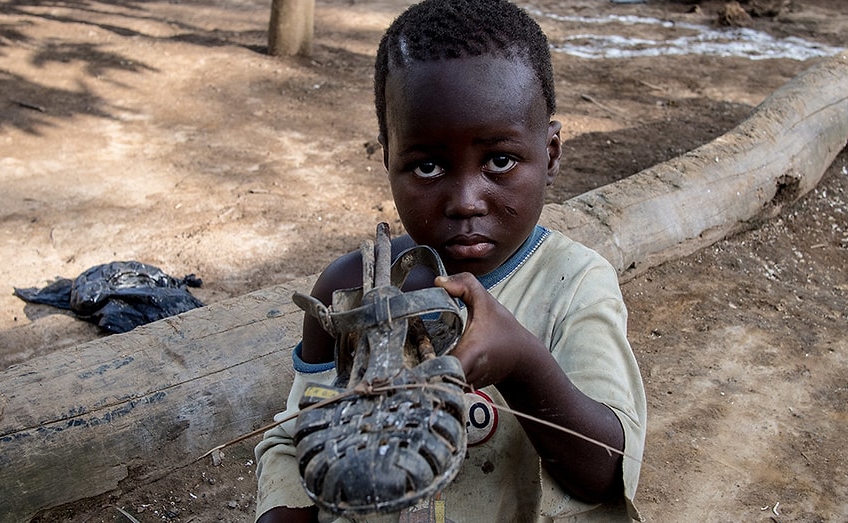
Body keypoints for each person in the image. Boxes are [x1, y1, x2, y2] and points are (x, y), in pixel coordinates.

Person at [254, 1, 646, 521]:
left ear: (550, 154)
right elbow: (295, 443)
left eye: (499, 161)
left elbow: (605, 471)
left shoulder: (574, 284)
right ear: (388, 156)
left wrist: (522, 364)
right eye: (428, 166)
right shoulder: (349, 291)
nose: (465, 201)